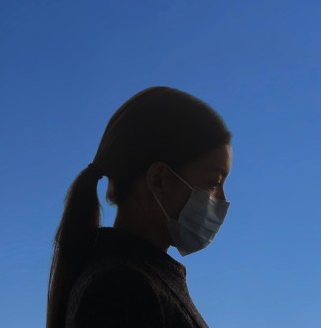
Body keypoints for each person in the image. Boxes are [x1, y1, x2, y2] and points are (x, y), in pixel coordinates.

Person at [46, 86, 233, 328]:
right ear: (159, 180)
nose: (222, 199)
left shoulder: (136, 278)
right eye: (213, 183)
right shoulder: (120, 288)